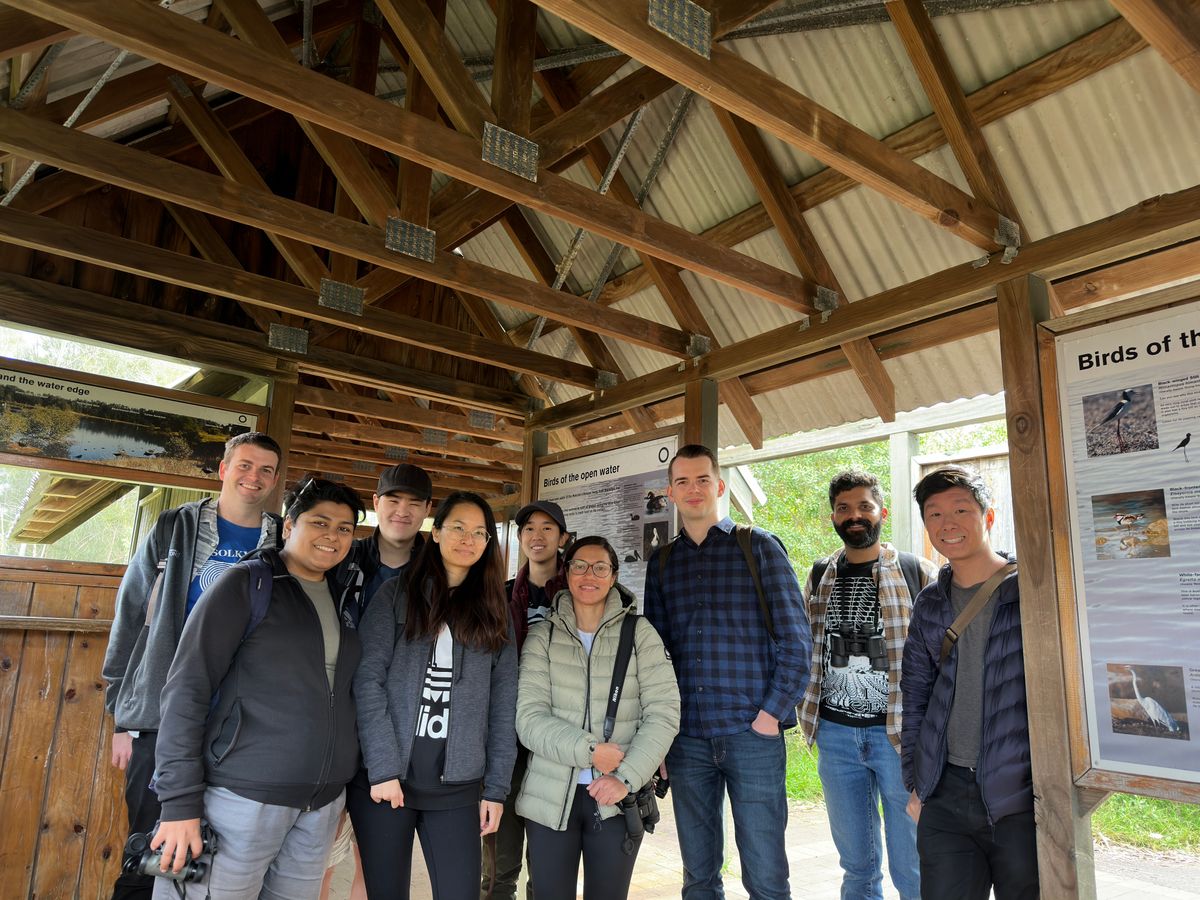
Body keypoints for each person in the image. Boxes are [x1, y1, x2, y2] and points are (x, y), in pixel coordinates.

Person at [149, 476, 366, 897]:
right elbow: (187, 688)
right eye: (319, 522)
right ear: (289, 526)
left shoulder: (343, 599)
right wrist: (178, 803)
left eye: (344, 529)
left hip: (318, 805)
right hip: (242, 797)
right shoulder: (247, 583)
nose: (332, 536)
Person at [102, 431, 283, 900]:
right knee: (150, 850)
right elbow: (130, 613)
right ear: (223, 470)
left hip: (239, 723)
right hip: (161, 717)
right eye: (244, 465)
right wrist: (121, 717)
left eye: (266, 469)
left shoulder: (282, 538)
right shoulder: (173, 528)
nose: (254, 477)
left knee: (215, 862)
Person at [643, 444, 812, 900]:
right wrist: (657, 738)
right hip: (687, 739)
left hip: (751, 734)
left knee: (765, 875)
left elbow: (797, 643)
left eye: (702, 480)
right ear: (671, 493)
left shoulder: (758, 547)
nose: (693, 489)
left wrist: (770, 716)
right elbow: (653, 661)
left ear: (719, 486)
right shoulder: (662, 564)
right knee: (698, 876)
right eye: (683, 482)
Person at [352, 491, 518, 900]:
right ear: (437, 532)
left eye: (480, 532)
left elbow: (503, 707)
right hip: (388, 785)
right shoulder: (396, 595)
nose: (469, 539)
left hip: (457, 788)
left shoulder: (494, 611)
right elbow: (367, 682)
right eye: (458, 527)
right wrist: (383, 768)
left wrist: (496, 790)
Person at [515, 536, 680, 900]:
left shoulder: (641, 634)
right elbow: (528, 718)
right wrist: (591, 751)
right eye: (579, 566)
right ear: (566, 573)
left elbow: (664, 713)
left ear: (613, 576)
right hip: (550, 796)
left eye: (600, 567)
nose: (589, 575)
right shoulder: (542, 636)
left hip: (616, 800)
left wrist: (625, 776)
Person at [799, 470, 937, 900]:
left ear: (882, 512)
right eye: (844, 508)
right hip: (836, 738)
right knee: (856, 867)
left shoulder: (918, 572)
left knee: (912, 865)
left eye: (864, 506)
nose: (854, 516)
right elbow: (805, 645)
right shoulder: (821, 574)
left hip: (898, 739)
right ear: (834, 517)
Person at [901, 465, 1036, 899]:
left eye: (961, 509)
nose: (948, 524)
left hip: (1021, 792)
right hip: (946, 791)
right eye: (934, 514)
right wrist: (917, 785)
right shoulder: (930, 602)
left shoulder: (1031, 590)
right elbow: (916, 695)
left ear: (988, 517)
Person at [325, 463, 434, 900]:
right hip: (335, 718)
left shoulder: (438, 573)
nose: (402, 511)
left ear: (428, 509)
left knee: (374, 862)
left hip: (400, 727)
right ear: (376, 504)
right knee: (321, 852)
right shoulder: (342, 558)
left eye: (414, 503)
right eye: (393, 499)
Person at [481, 499, 570, 900]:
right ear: (520, 538)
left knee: (549, 850)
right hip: (507, 733)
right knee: (500, 843)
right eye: (529, 528)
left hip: (560, 732)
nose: (537, 535)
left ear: (563, 538)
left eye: (547, 528)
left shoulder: (579, 594)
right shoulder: (497, 597)